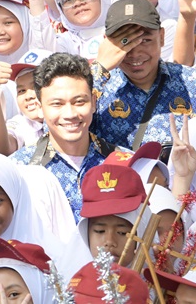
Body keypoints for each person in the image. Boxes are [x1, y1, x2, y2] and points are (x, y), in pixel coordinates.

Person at [91, 0, 196, 148]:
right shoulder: (94, 91)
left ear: (162, 37)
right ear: (106, 42)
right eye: (124, 41)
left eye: (145, 40)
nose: (135, 52)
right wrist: (99, 68)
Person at [11, 52, 118, 221]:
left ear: (94, 102)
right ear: (39, 107)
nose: (70, 114)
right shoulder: (18, 169)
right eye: (57, 104)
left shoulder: (123, 162)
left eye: (79, 102)